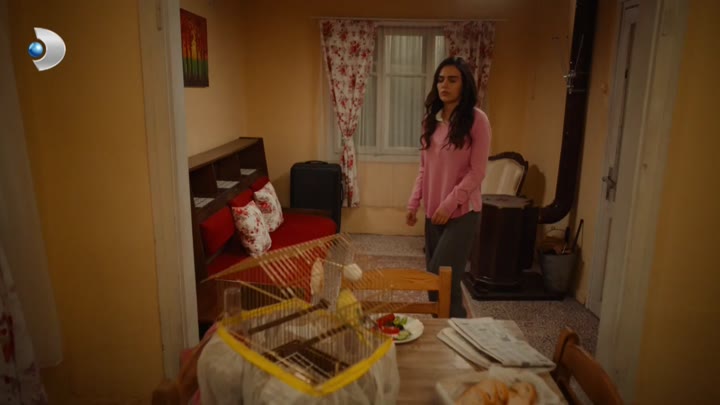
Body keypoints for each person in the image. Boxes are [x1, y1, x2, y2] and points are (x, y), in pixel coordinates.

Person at [406, 56, 492, 318]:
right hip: (434, 212)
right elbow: (424, 168)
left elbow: (477, 172)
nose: (444, 85)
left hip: (462, 212)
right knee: (436, 283)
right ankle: (444, 329)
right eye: (441, 79)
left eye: (452, 80)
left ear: (464, 85)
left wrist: (449, 204)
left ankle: (454, 329)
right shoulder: (431, 121)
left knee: (441, 276)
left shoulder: (477, 120)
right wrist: (414, 203)